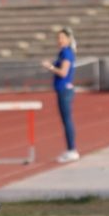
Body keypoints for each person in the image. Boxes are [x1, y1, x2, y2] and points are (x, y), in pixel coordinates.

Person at [41, 27, 79, 163]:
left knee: (67, 120)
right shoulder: (63, 52)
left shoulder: (66, 53)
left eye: (62, 38)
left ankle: (72, 150)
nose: (59, 40)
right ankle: (71, 149)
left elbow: (63, 72)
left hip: (64, 90)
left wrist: (50, 67)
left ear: (68, 39)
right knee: (66, 120)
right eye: (58, 38)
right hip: (62, 90)